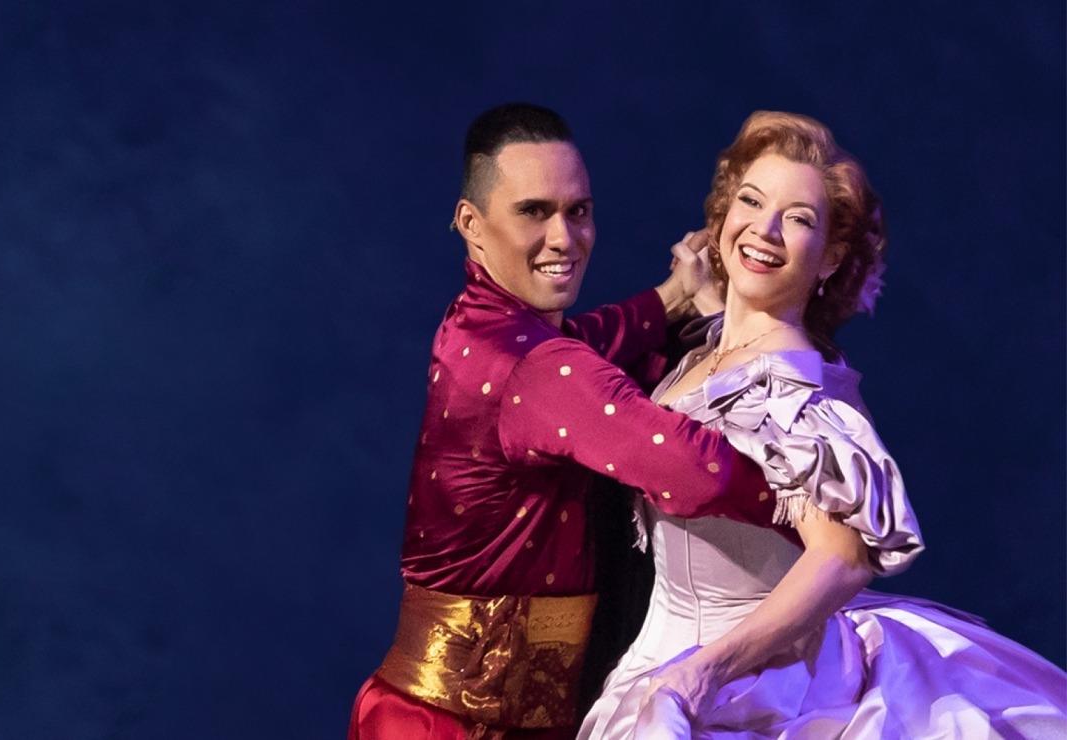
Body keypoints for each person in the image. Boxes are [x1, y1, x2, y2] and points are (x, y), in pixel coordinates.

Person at [578, 111, 1067, 739]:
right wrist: (698, 295)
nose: (766, 228)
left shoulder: (786, 388)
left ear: (831, 256)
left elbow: (841, 557)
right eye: (751, 201)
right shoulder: (714, 354)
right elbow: (726, 372)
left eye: (799, 219)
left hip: (752, 685)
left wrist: (702, 674)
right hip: (665, 655)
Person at [348, 103, 791, 740]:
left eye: (578, 211)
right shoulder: (536, 369)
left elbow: (591, 341)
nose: (565, 237)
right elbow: (697, 473)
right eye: (534, 212)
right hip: (451, 726)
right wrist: (822, 502)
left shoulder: (477, 324)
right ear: (471, 224)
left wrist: (674, 294)